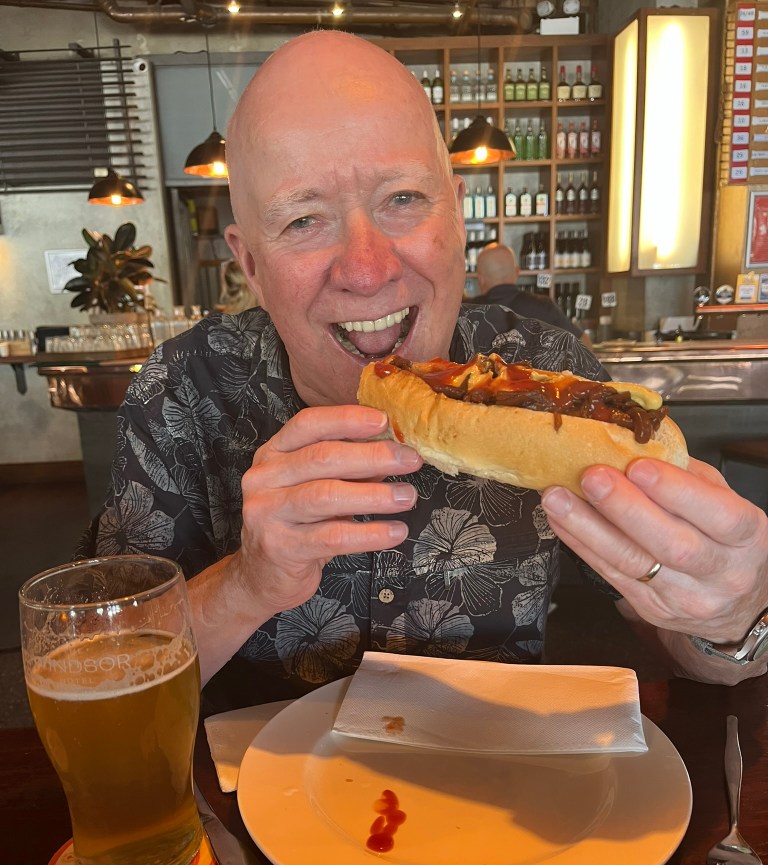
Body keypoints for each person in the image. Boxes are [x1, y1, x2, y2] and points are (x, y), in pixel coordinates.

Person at [78, 30, 768, 709]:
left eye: (403, 199)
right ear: (251, 265)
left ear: (458, 215)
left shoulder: (551, 369)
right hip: (249, 779)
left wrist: (732, 619)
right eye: (304, 221)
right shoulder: (182, 392)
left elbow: (692, 649)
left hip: (499, 770)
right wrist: (245, 584)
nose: (367, 269)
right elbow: (100, 678)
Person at [470, 242, 577, 336]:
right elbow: (583, 344)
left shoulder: (468, 312)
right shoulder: (545, 307)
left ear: (480, 279)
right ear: (517, 272)